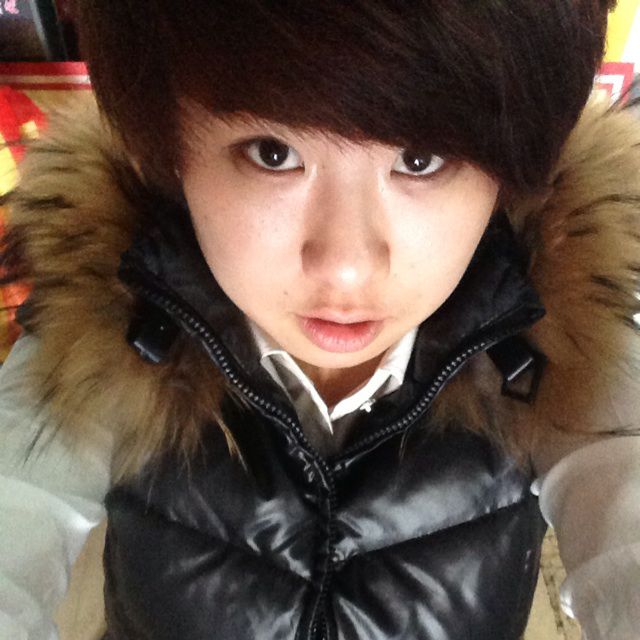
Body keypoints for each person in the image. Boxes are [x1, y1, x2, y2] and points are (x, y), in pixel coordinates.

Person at [1, 1, 639, 639]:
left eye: (420, 159)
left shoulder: (566, 327)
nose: (346, 268)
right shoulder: (103, 316)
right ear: (167, 150)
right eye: (274, 153)